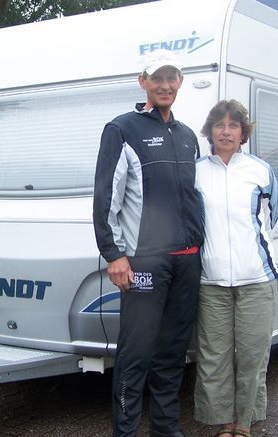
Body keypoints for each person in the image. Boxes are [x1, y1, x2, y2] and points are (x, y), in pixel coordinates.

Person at [92, 49, 204, 437]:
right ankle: (124, 431)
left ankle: (165, 427)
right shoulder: (123, 129)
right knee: (136, 352)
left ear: (180, 81)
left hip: (187, 260)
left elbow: (194, 197)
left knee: (173, 351)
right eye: (157, 78)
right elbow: (106, 197)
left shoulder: (189, 136)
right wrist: (114, 254)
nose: (165, 85)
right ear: (143, 81)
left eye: (172, 78)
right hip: (144, 262)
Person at [193, 100, 278, 437]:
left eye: (233, 126)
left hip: (257, 279)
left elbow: (270, 218)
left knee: (251, 356)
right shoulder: (197, 171)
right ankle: (223, 423)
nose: (226, 131)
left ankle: (244, 424)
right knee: (214, 357)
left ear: (243, 133)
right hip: (210, 281)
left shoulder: (260, 170)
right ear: (210, 132)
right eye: (219, 125)